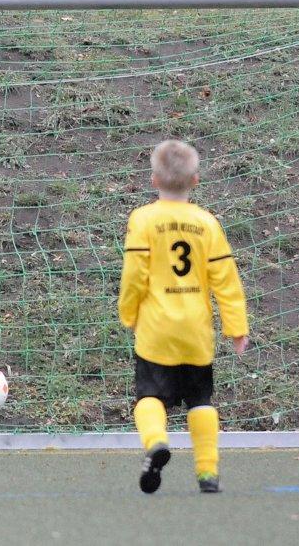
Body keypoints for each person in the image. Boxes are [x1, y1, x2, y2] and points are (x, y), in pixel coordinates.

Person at [118, 140, 249, 494]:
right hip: (196, 331)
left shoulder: (143, 219)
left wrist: (128, 313)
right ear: (195, 180)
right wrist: (236, 327)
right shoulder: (207, 223)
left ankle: (156, 442)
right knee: (200, 400)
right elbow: (226, 279)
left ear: (153, 180)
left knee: (149, 396)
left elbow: (134, 275)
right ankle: (208, 473)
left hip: (156, 329)